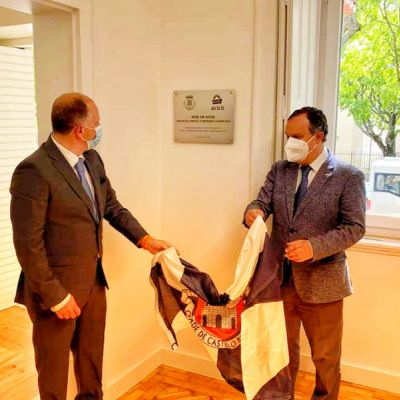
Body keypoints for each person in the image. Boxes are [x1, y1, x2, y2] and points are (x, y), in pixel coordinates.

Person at [10, 92, 173, 400]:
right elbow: (27, 244)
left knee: (91, 368)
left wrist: (144, 239)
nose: (99, 128)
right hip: (55, 293)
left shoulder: (92, 160)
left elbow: (111, 206)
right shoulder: (34, 170)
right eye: (96, 123)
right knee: (54, 375)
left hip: (94, 285)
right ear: (80, 129)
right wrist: (56, 296)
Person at [243, 107, 366, 400]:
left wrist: (314, 247)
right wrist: (253, 212)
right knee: (281, 353)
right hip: (280, 281)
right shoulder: (280, 170)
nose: (290, 143)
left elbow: (354, 227)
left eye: (297, 137)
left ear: (318, 137)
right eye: (288, 136)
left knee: (325, 358)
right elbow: (261, 201)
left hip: (324, 284)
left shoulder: (348, 176)